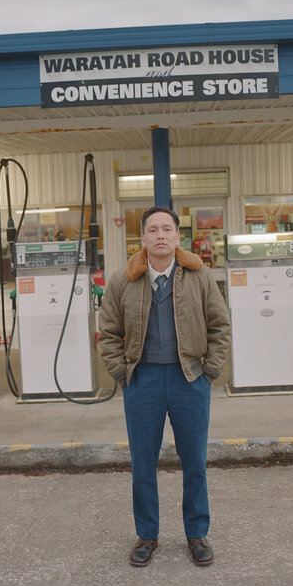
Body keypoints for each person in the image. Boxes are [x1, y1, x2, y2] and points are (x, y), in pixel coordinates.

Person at [98, 206, 231, 567]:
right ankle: (147, 535)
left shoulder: (199, 276)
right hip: (143, 382)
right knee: (143, 464)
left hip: (189, 380)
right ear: (142, 238)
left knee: (195, 464)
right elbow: (108, 331)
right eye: (153, 230)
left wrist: (210, 372)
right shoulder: (122, 279)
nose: (160, 235)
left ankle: (197, 534)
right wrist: (121, 373)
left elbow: (220, 326)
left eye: (167, 229)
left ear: (176, 236)